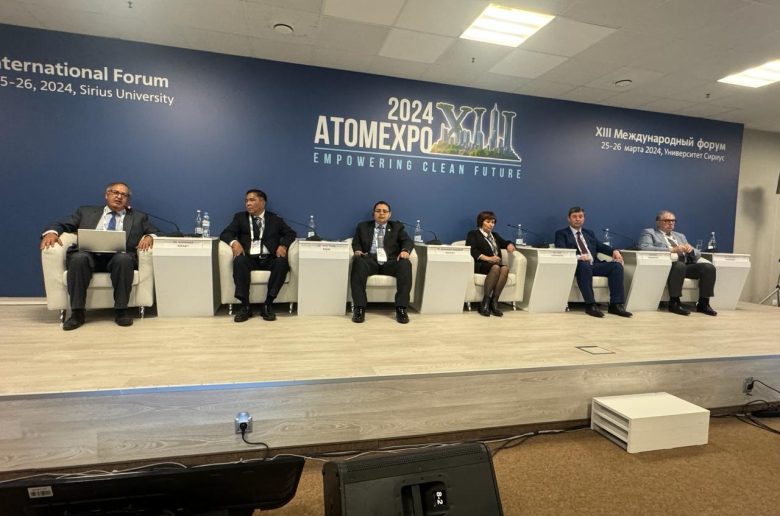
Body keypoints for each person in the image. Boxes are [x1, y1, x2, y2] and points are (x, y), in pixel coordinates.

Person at [40, 182, 158, 330]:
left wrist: (149, 236)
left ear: (127, 199)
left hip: (118, 258)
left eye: (124, 195)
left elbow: (159, 232)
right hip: (89, 256)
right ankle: (77, 313)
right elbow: (61, 224)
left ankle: (121, 311)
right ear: (106, 195)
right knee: (79, 258)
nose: (119, 197)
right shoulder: (86, 212)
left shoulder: (138, 217)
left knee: (124, 259)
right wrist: (51, 233)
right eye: (115, 192)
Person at [220, 189, 296, 322]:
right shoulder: (240, 218)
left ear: (262, 202)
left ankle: (267, 304)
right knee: (239, 261)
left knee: (281, 263)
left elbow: (291, 233)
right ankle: (245, 306)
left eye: (252, 200)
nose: (248, 204)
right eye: (246, 201)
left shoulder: (275, 219)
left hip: (269, 258)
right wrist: (234, 242)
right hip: (249, 258)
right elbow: (226, 233)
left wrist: (283, 246)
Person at [554, 206, 632, 318]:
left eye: (580, 216)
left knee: (617, 267)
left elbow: (601, 246)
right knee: (584, 265)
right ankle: (590, 305)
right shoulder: (561, 233)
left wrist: (614, 251)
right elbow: (562, 251)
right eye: (574, 217)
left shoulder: (589, 233)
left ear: (584, 218)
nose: (577, 219)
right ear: (569, 219)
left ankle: (616, 305)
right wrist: (579, 257)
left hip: (594, 265)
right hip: (578, 265)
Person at [638, 210, 717, 316]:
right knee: (679, 266)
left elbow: (697, 254)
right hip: (666, 266)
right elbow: (644, 247)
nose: (671, 223)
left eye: (673, 221)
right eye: (667, 220)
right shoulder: (650, 232)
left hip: (684, 265)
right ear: (658, 222)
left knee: (708, 267)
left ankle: (703, 303)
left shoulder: (680, 236)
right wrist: (671, 250)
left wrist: (691, 250)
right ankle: (674, 303)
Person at [350, 201, 414, 324]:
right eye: (378, 211)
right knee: (358, 262)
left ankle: (401, 309)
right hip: (370, 260)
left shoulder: (397, 227)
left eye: (385, 211)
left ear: (390, 214)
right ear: (373, 214)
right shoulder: (363, 226)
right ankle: (359, 308)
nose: (381, 213)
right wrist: (357, 250)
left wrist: (405, 250)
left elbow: (407, 241)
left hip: (390, 261)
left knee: (405, 264)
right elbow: (356, 242)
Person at [465, 211, 516, 317]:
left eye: (493, 222)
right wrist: (489, 258)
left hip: (494, 265)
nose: (491, 224)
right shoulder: (473, 234)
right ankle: (485, 302)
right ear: (481, 222)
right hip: (480, 264)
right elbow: (472, 251)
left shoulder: (495, 236)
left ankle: (494, 302)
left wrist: (510, 245)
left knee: (505, 268)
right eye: (488, 222)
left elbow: (506, 242)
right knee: (496, 267)